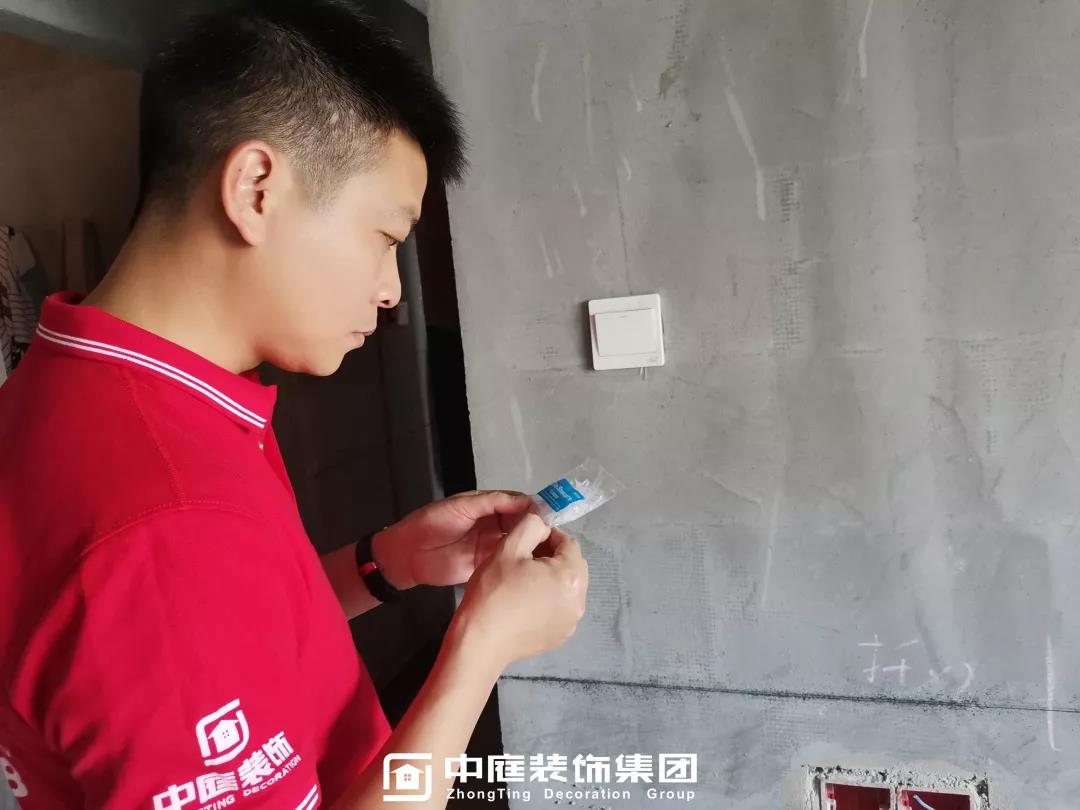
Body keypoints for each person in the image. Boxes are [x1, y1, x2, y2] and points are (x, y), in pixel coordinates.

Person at [0, 1, 589, 807]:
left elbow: (219, 639)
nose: (390, 291)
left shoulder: (98, 388)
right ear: (256, 189)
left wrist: (387, 563)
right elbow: (173, 581)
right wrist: (481, 650)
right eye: (386, 237)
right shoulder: (166, 517)